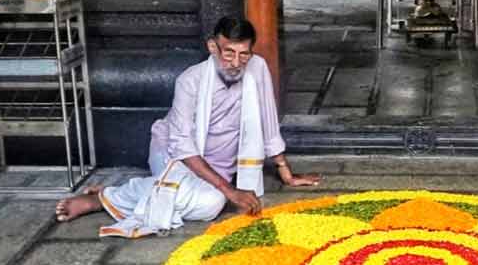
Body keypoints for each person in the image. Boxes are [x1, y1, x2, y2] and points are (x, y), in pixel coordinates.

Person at [54, 16, 320, 237]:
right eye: (229, 53)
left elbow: (267, 117)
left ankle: (137, 190)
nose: (236, 63)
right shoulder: (189, 80)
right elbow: (182, 145)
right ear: (213, 47)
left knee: (207, 204)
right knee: (214, 200)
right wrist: (229, 190)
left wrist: (285, 171)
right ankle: (103, 198)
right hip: (173, 154)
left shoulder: (257, 68)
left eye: (244, 55)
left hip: (218, 162)